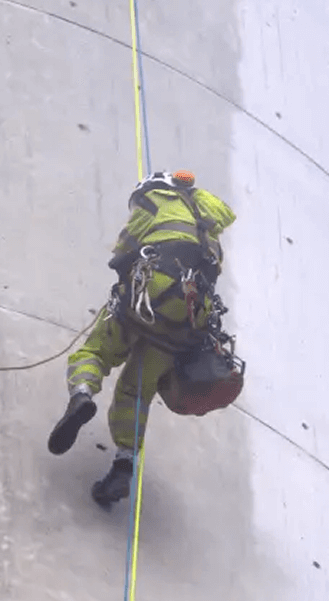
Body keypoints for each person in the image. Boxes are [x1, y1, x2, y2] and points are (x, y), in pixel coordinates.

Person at [48, 170, 245, 506]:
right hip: (188, 318)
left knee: (95, 353)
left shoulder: (156, 203)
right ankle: (124, 462)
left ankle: (81, 396)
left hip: (147, 297)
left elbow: (122, 253)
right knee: (136, 392)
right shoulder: (208, 230)